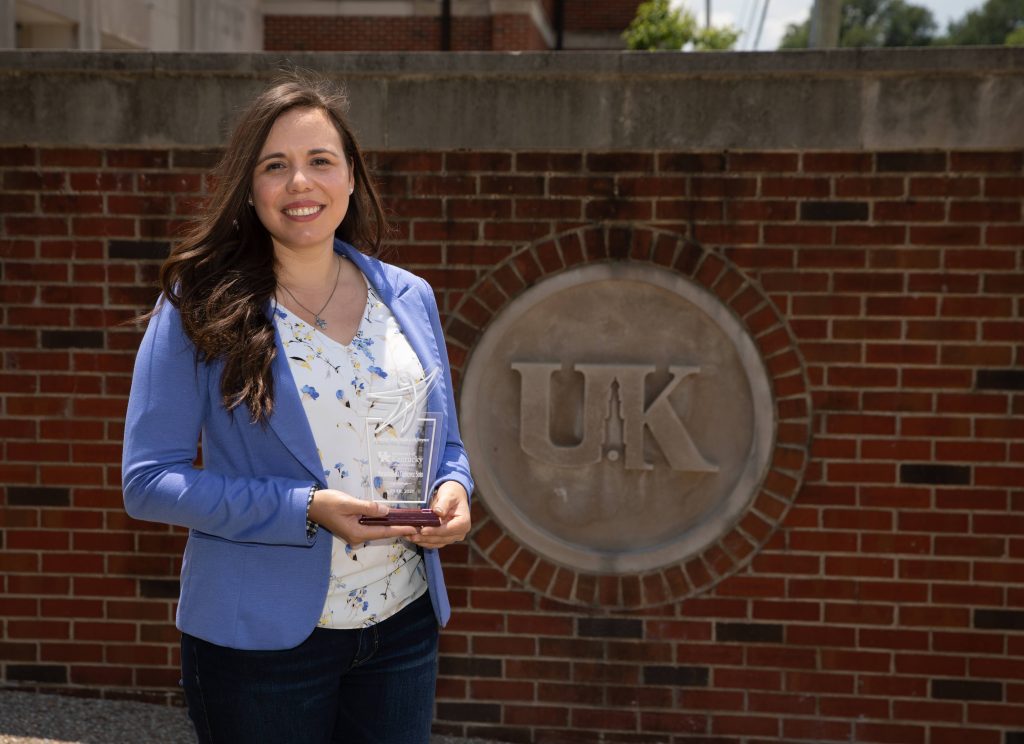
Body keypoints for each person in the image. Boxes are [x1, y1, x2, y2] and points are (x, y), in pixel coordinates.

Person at [121, 71, 473, 744]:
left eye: (320, 162)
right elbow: (148, 482)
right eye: (275, 166)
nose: (300, 183)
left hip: (402, 628)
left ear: (350, 179)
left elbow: (444, 446)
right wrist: (304, 510)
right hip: (261, 644)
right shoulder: (197, 305)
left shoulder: (410, 297)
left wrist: (456, 489)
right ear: (249, 191)